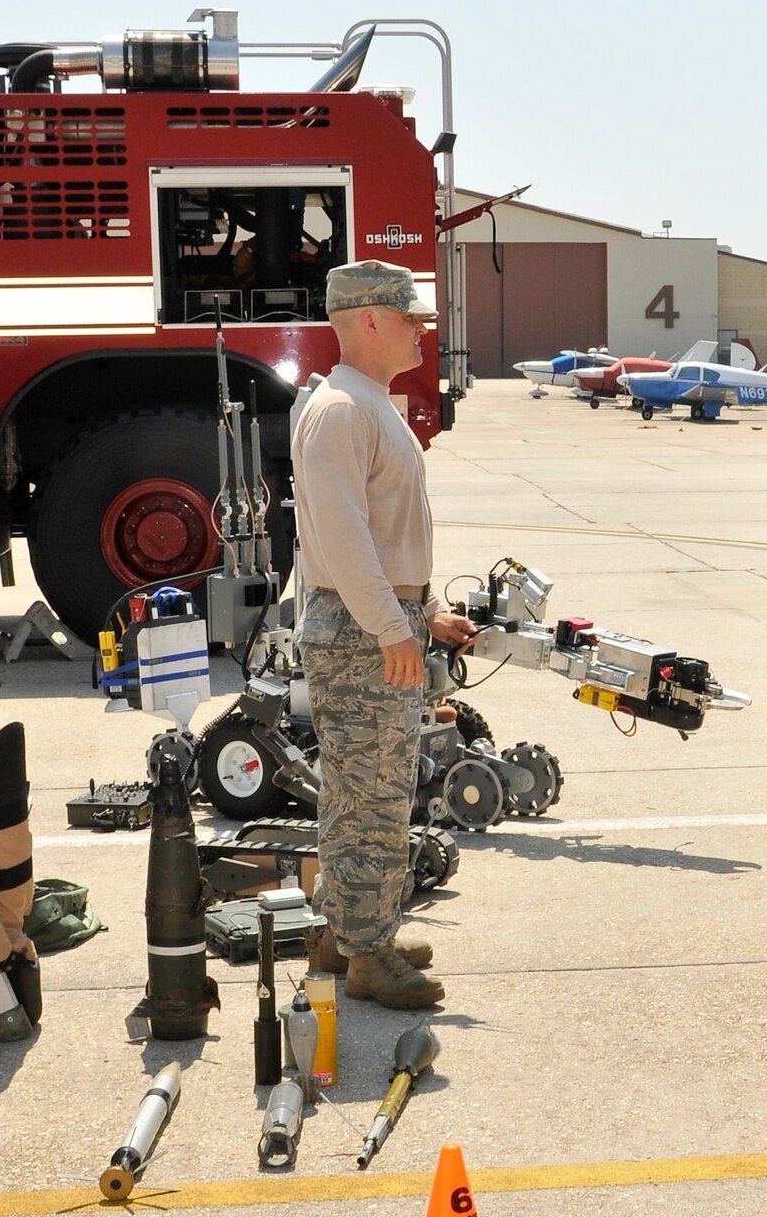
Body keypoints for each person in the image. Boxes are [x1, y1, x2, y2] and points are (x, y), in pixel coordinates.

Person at [292, 259, 477, 1010]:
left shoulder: (367, 403)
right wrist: (390, 629)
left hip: (378, 621)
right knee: (373, 794)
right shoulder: (343, 409)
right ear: (368, 319)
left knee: (362, 789)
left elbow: (374, 535)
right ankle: (369, 959)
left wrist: (417, 616)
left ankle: (347, 933)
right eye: (409, 318)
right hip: (363, 630)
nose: (421, 332)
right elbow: (341, 541)